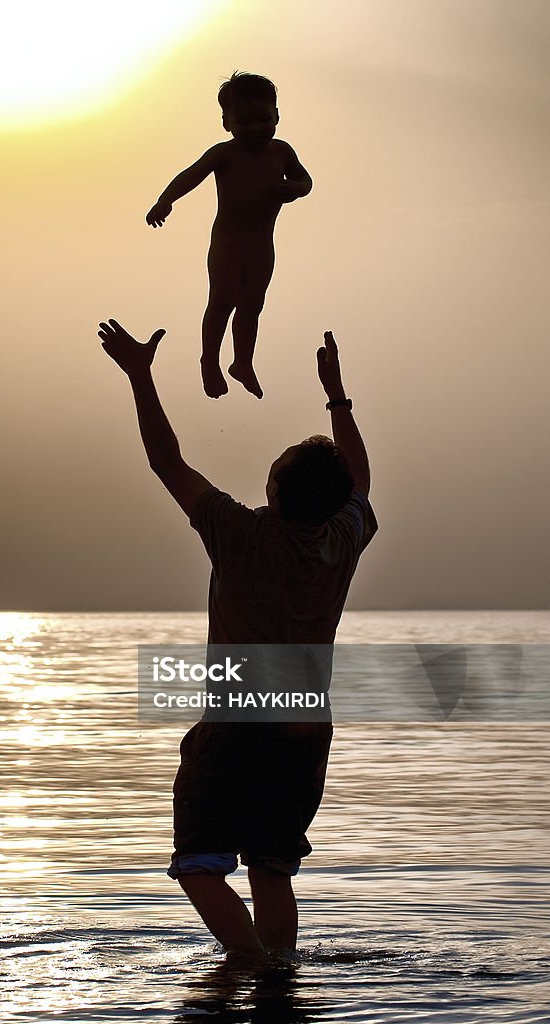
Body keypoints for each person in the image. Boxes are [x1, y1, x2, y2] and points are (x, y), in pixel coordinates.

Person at [97, 317, 377, 962]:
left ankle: (251, 968)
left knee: (199, 865)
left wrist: (141, 376)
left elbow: (165, 461)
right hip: (307, 727)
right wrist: (338, 398)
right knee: (271, 868)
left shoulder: (237, 532)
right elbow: (360, 481)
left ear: (274, 492)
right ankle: (275, 982)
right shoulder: (342, 540)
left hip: (237, 723)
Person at [145, 72, 312, 401]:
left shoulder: (281, 151)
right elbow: (190, 176)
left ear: (277, 116)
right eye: (244, 122)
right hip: (228, 243)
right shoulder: (224, 154)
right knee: (224, 300)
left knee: (253, 304)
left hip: (262, 244)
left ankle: (242, 363)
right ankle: (209, 360)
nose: (255, 129)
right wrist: (165, 200)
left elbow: (305, 181)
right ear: (227, 123)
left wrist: (294, 189)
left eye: (264, 119)